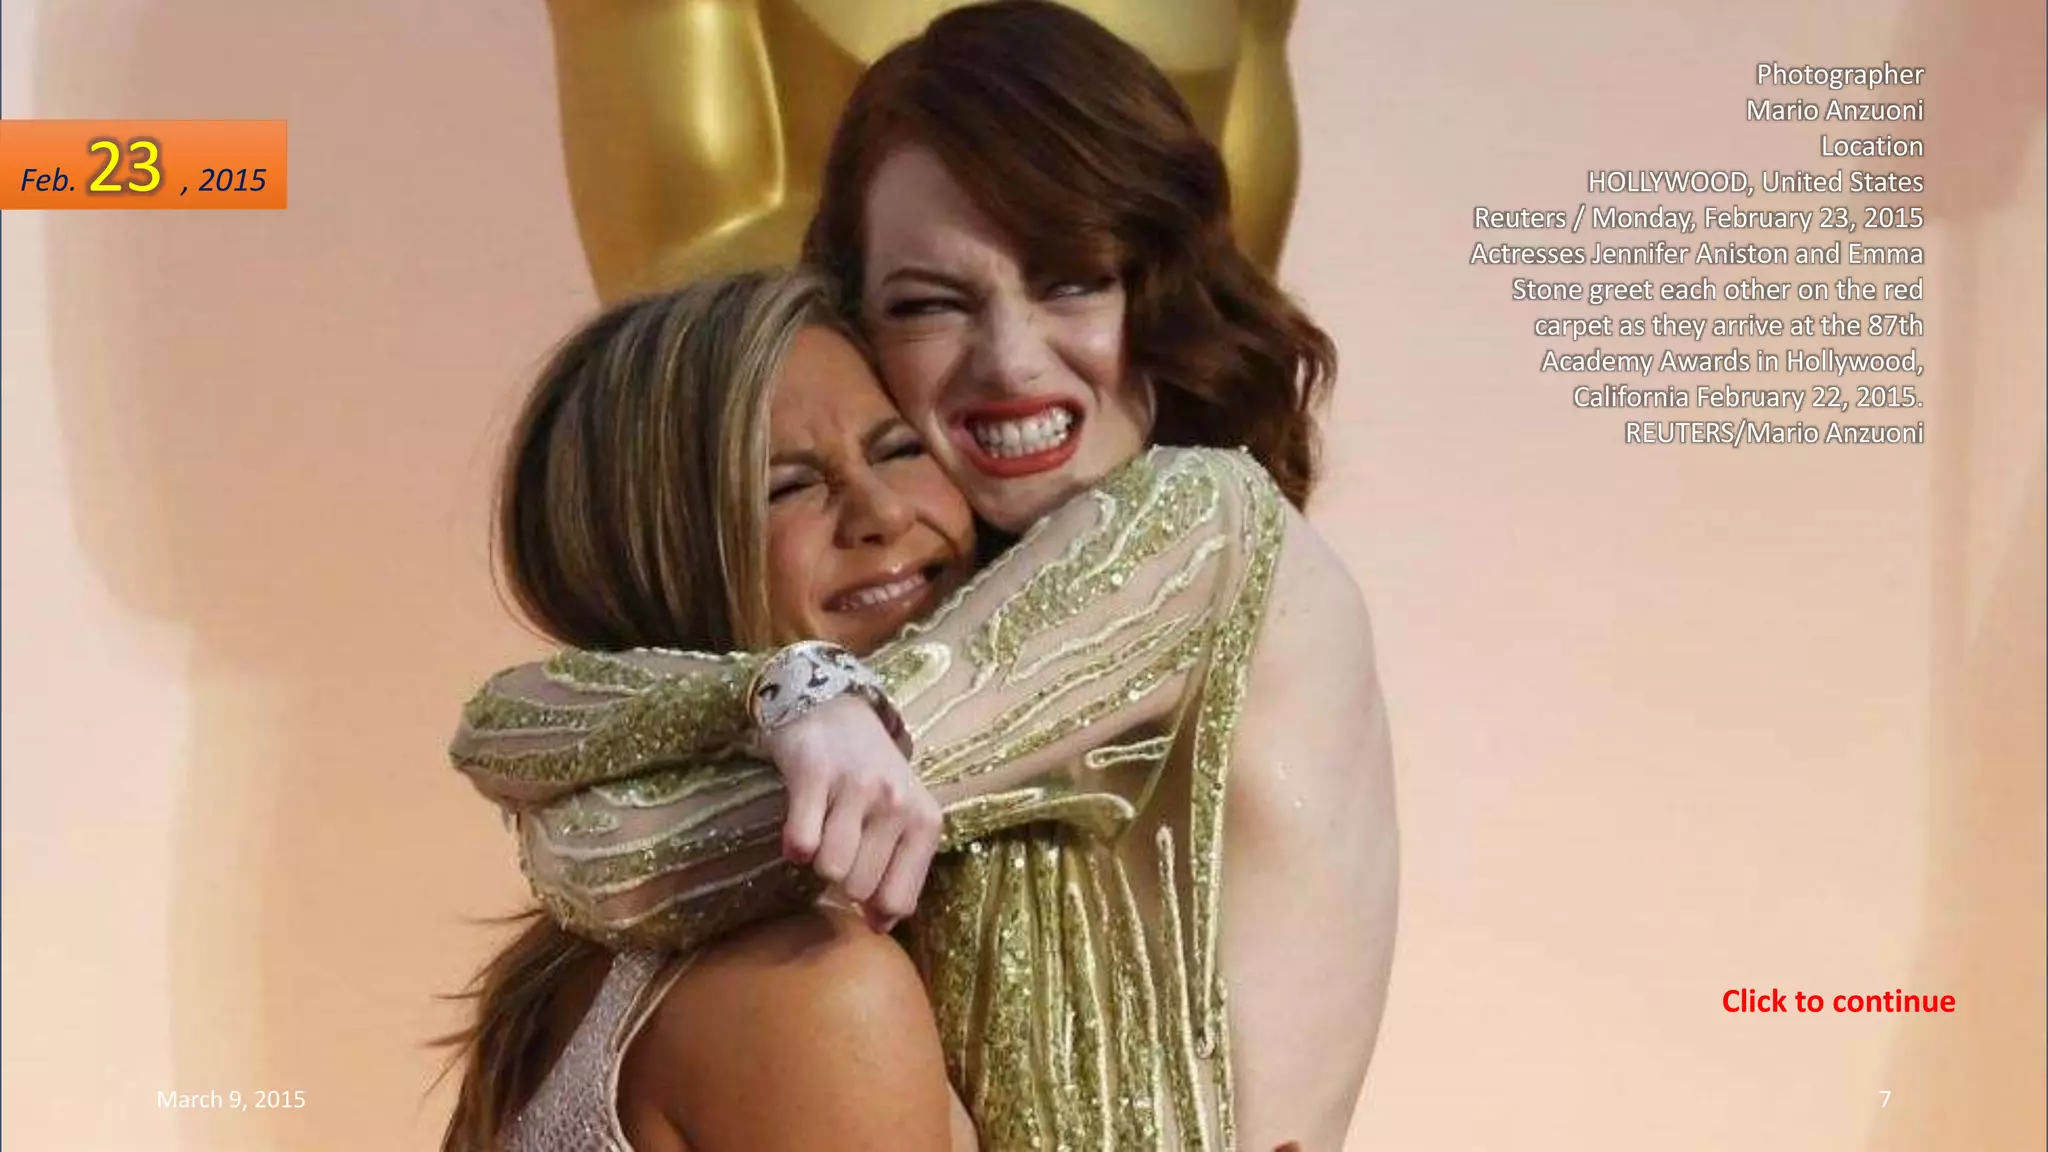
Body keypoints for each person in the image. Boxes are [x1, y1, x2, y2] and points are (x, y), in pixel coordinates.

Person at [454, 5, 1399, 1149]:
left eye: (1069, 281)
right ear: (862, 320)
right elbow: (506, 730)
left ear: (1153, 287)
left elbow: (610, 848)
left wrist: (795, 706)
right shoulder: (961, 603)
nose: (1007, 361)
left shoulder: (1190, 521)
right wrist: (783, 689)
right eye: (928, 303)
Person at [439, 270, 980, 1152]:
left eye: (896, 448)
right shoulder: (811, 992)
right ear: (659, 566)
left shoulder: (622, 947)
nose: (883, 514)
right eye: (788, 487)